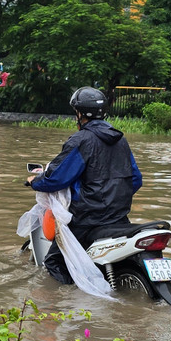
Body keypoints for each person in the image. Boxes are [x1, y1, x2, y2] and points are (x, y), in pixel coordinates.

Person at [28, 86, 142, 285]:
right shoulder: (120, 140)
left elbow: (56, 178)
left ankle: (65, 306)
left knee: (55, 262)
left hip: (88, 219)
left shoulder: (81, 140)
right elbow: (135, 180)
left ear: (79, 113)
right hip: (119, 217)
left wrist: (35, 181)